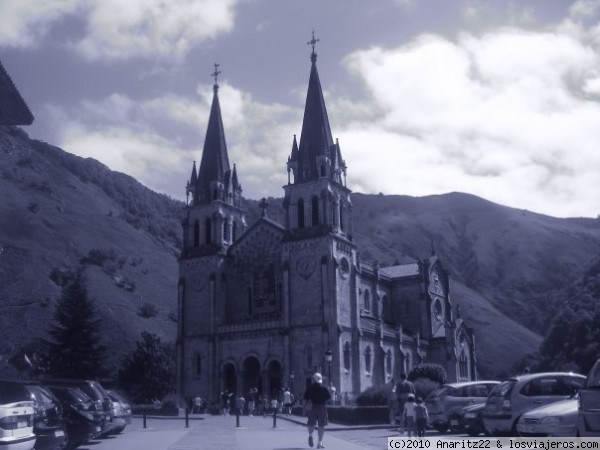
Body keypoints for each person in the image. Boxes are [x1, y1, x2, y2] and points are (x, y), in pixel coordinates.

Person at [303, 372, 331, 449]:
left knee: (311, 423)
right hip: (322, 407)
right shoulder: (324, 387)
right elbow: (329, 398)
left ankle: (310, 435)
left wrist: (304, 408)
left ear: (313, 379)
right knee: (321, 425)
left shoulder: (310, 387)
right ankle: (319, 443)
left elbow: (305, 399)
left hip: (312, 407)